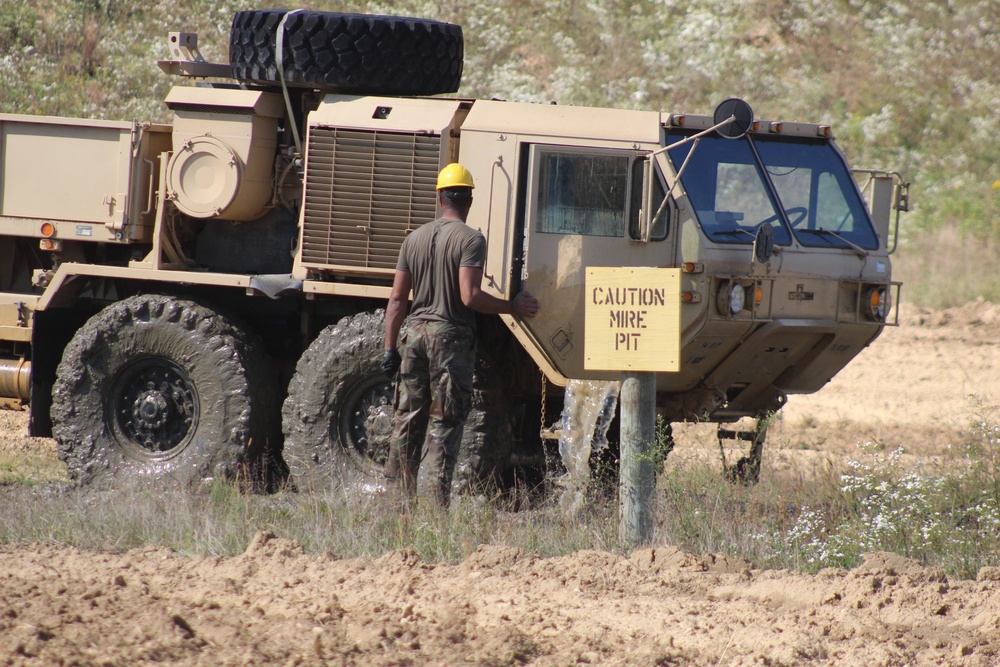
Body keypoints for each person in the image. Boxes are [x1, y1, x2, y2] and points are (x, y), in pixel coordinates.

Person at [381, 162, 540, 508]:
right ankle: (437, 508)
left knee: (406, 420)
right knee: (445, 422)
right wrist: (512, 305)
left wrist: (389, 349)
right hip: (449, 340)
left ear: (440, 197)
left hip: (413, 336)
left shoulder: (413, 239)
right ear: (469, 200)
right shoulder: (471, 239)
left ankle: (397, 505)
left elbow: (396, 300)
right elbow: (470, 297)